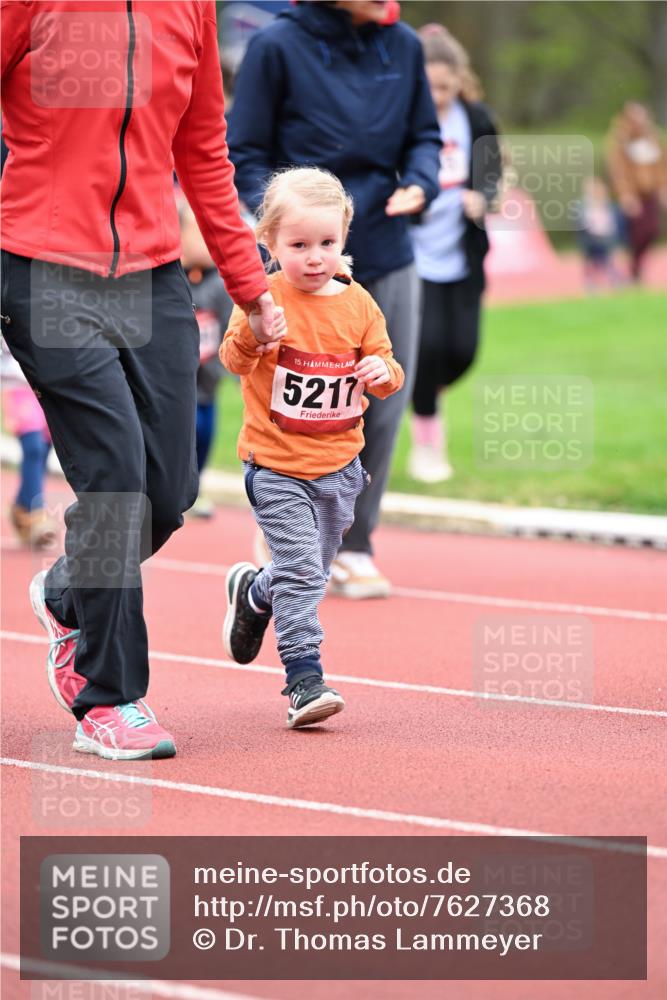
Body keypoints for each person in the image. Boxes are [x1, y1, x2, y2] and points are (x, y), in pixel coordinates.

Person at [1, 2, 274, 760]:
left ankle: (65, 593)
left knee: (168, 491)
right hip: (42, 266)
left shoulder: (188, 7)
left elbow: (205, 154)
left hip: (152, 275)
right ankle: (110, 699)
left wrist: (251, 287)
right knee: (115, 481)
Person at [228, 0, 440, 598]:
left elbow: (424, 135)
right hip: (298, 256)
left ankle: (355, 540)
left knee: (379, 395)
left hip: (385, 244)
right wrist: (278, 228)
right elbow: (244, 153)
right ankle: (283, 521)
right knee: (288, 389)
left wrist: (421, 179)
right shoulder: (275, 46)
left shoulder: (405, 47)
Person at [220, 167, 404, 727]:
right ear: (269, 242)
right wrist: (256, 332)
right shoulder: (262, 298)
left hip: (340, 469)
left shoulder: (359, 304)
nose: (315, 256)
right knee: (302, 572)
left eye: (327, 243)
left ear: (344, 237)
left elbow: (390, 369)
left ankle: (254, 594)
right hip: (276, 466)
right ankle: (304, 679)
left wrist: (380, 372)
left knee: (308, 572)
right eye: (299, 245)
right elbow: (232, 361)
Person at [408, 25, 501, 483]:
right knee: (425, 349)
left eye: (445, 87)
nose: (438, 96)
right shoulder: (404, 118)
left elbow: (494, 172)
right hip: (415, 253)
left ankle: (427, 391)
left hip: (463, 254)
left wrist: (483, 196)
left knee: (462, 350)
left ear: (459, 81)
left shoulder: (477, 119)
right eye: (430, 87)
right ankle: (427, 446)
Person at [177, 195, 234, 518]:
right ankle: (175, 485)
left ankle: (195, 486)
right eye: (197, 234)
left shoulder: (220, 283)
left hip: (208, 373)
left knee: (204, 429)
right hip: (177, 375)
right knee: (183, 427)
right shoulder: (173, 280)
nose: (206, 243)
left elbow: (230, 325)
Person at [1, 340, 57, 548]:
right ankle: (35, 514)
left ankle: (21, 507)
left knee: (44, 450)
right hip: (17, 387)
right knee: (33, 447)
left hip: (47, 387)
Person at [606, 102, 667, 282]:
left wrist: (663, 187)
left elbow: (659, 166)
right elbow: (618, 170)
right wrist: (626, 194)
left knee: (653, 230)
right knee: (636, 233)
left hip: (650, 194)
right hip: (633, 196)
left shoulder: (652, 138)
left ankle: (635, 265)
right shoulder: (620, 139)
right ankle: (633, 269)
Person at [576, 177, 622, 291]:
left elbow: (612, 223)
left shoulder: (608, 206)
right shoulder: (583, 206)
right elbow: (581, 222)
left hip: (605, 239)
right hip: (589, 239)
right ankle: (591, 281)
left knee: (605, 259)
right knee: (592, 262)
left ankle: (612, 278)